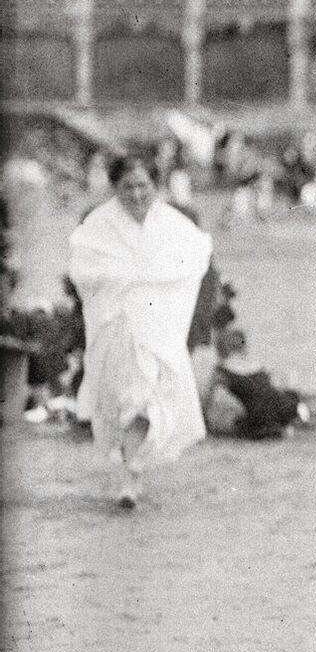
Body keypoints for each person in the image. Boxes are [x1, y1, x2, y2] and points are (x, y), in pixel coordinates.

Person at [67, 155, 215, 510]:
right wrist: (122, 277)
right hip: (116, 324)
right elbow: (83, 268)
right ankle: (132, 472)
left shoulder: (172, 224)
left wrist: (151, 277)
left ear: (155, 186)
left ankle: (133, 473)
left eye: (142, 186)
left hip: (157, 324)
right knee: (127, 401)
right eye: (127, 187)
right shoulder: (100, 224)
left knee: (148, 400)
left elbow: (197, 255)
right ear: (115, 188)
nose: (135, 194)